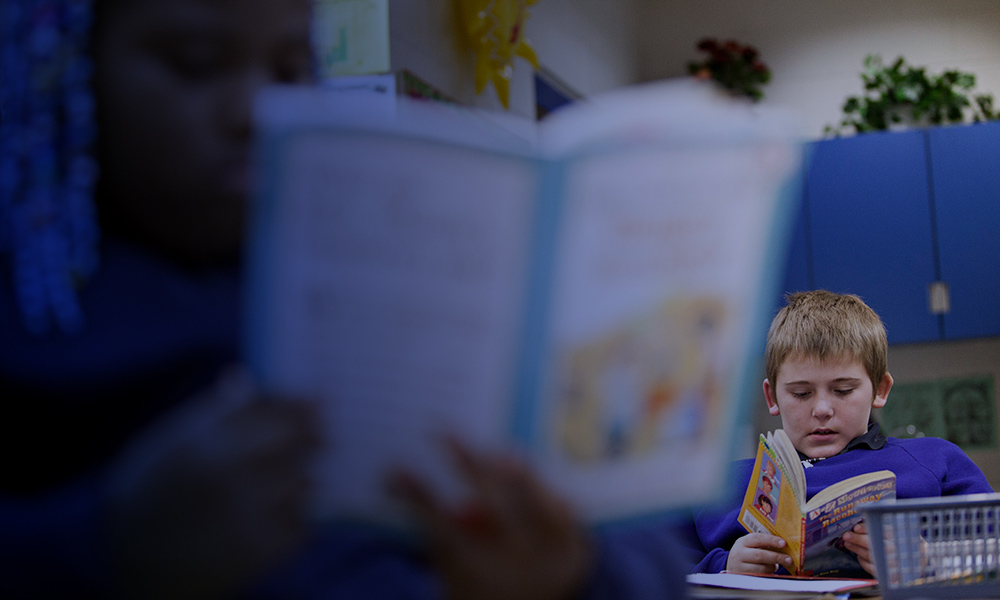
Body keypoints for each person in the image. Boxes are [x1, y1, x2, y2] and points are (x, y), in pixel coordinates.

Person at [0, 0, 689, 598]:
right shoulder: (33, 314)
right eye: (194, 61)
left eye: (289, 68)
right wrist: (107, 545)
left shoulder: (393, 293)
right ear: (63, 63)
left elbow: (654, 558)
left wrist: (569, 575)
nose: (255, 110)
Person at [683, 290, 993, 578]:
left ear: (880, 390)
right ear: (772, 397)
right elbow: (654, 569)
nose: (821, 409)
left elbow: (992, 546)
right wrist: (724, 566)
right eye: (801, 393)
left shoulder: (935, 459)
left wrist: (927, 559)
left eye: (843, 390)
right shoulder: (717, 484)